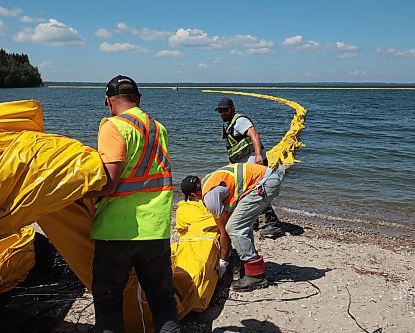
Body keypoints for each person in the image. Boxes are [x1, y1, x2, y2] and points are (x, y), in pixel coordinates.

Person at [89, 75, 180, 333]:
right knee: (163, 302)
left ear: (109, 101)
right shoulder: (158, 127)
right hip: (156, 230)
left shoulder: (113, 126)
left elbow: (109, 182)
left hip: (117, 232)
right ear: (138, 99)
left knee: (108, 302)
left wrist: (74, 195)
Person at [180, 162, 285, 292]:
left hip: (264, 183)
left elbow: (224, 231)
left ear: (193, 195)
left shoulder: (210, 197)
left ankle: (256, 275)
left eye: (193, 199)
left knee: (234, 228)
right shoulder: (209, 180)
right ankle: (249, 262)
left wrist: (223, 262)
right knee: (241, 223)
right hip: (267, 177)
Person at [215, 97, 283, 239]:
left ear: (232, 109)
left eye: (225, 110)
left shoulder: (240, 121)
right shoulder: (229, 125)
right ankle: (253, 222)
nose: (223, 113)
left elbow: (254, 135)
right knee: (245, 194)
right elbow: (233, 148)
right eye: (220, 111)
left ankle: (274, 224)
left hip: (255, 162)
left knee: (258, 193)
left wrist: (258, 155)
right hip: (245, 166)